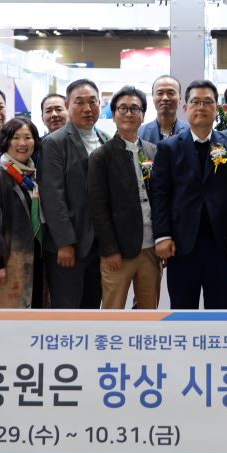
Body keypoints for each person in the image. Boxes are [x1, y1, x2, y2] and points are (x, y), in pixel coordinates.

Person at [149, 79, 227, 310]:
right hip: (181, 245)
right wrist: (162, 235)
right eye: (195, 102)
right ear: (185, 108)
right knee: (183, 311)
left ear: (217, 108)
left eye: (208, 102)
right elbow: (160, 194)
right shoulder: (168, 148)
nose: (201, 107)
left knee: (222, 311)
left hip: (222, 245)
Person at [87, 86, 162, 310]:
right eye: (123, 108)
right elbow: (98, 207)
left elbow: (160, 199)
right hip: (118, 251)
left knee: (148, 311)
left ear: (143, 115)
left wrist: (162, 239)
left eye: (135, 109)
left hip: (150, 247)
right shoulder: (101, 156)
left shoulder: (153, 151)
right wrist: (110, 249)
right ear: (113, 114)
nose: (129, 113)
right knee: (113, 311)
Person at [40, 79, 109, 308]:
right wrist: (64, 243)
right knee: (67, 310)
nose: (87, 108)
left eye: (93, 102)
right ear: (68, 105)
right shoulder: (54, 142)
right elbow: (53, 197)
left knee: (92, 307)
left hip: (99, 245)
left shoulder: (106, 140)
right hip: (70, 246)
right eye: (80, 102)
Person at [0, 118, 44, 308]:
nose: (22, 143)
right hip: (8, 260)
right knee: (8, 313)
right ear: (6, 141)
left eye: (28, 137)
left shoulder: (33, 174)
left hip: (34, 256)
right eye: (16, 137)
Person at [138, 75, 189, 145]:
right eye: (160, 93)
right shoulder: (140, 133)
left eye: (171, 93)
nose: (165, 98)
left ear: (180, 98)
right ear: (153, 98)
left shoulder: (190, 132)